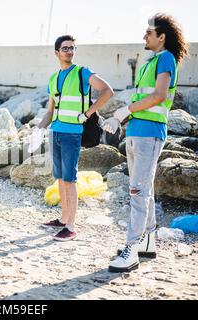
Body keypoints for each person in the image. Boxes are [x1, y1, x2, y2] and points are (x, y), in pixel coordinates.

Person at [103, 13, 189, 272]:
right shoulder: (151, 61)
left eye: (148, 33)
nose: (144, 36)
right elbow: (147, 96)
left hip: (149, 133)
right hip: (138, 132)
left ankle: (131, 250)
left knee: (138, 192)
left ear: (161, 37)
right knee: (142, 189)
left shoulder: (165, 59)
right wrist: (124, 118)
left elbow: (159, 96)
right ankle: (147, 241)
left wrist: (123, 112)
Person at [30, 35, 114, 241]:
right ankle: (63, 218)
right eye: (65, 48)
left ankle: (71, 226)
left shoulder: (82, 72)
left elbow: (107, 91)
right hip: (55, 132)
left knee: (70, 179)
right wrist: (39, 129)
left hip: (73, 133)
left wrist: (88, 113)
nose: (69, 51)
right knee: (60, 177)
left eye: (72, 48)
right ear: (56, 53)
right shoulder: (53, 79)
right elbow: (50, 110)